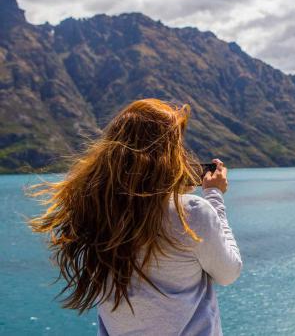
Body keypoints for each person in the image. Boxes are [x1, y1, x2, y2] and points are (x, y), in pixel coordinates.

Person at [28, 98, 242, 336]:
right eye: (177, 146)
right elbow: (228, 273)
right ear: (166, 154)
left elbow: (145, 207)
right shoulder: (191, 212)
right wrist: (214, 197)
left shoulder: (97, 210)